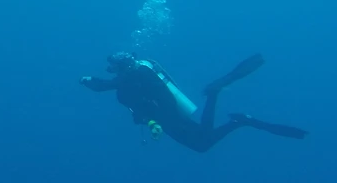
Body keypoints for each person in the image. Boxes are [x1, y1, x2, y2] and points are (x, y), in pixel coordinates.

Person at [80, 51, 307, 152]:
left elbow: (103, 86)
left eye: (113, 67)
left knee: (202, 143)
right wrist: (151, 122)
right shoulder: (137, 74)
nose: (111, 70)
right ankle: (239, 120)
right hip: (167, 115)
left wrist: (85, 79)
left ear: (121, 66)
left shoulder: (132, 75)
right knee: (202, 143)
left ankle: (218, 98)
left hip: (168, 116)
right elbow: (138, 106)